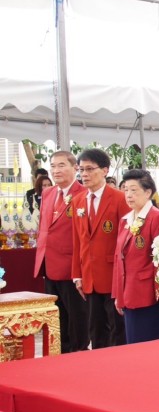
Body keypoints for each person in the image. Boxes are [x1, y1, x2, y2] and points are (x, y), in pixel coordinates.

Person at [72, 148, 129, 349]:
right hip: (89, 275)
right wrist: (77, 275)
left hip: (113, 274)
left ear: (105, 170)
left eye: (89, 169)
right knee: (95, 330)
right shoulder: (78, 201)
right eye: (81, 170)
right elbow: (77, 240)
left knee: (117, 329)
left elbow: (126, 240)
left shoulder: (120, 198)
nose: (84, 174)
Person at [33, 151, 89, 353]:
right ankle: (60, 353)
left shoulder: (83, 193)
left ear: (75, 168)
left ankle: (78, 353)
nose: (56, 170)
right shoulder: (48, 193)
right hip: (49, 263)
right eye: (53, 166)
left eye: (61, 165)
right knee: (57, 319)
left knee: (77, 318)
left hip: (71, 265)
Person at [112, 170, 159, 343]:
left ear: (148, 193)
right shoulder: (126, 220)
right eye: (126, 190)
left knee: (149, 343)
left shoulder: (157, 218)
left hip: (149, 295)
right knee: (133, 342)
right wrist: (118, 294)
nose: (128, 195)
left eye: (134, 190)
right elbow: (118, 258)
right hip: (128, 292)